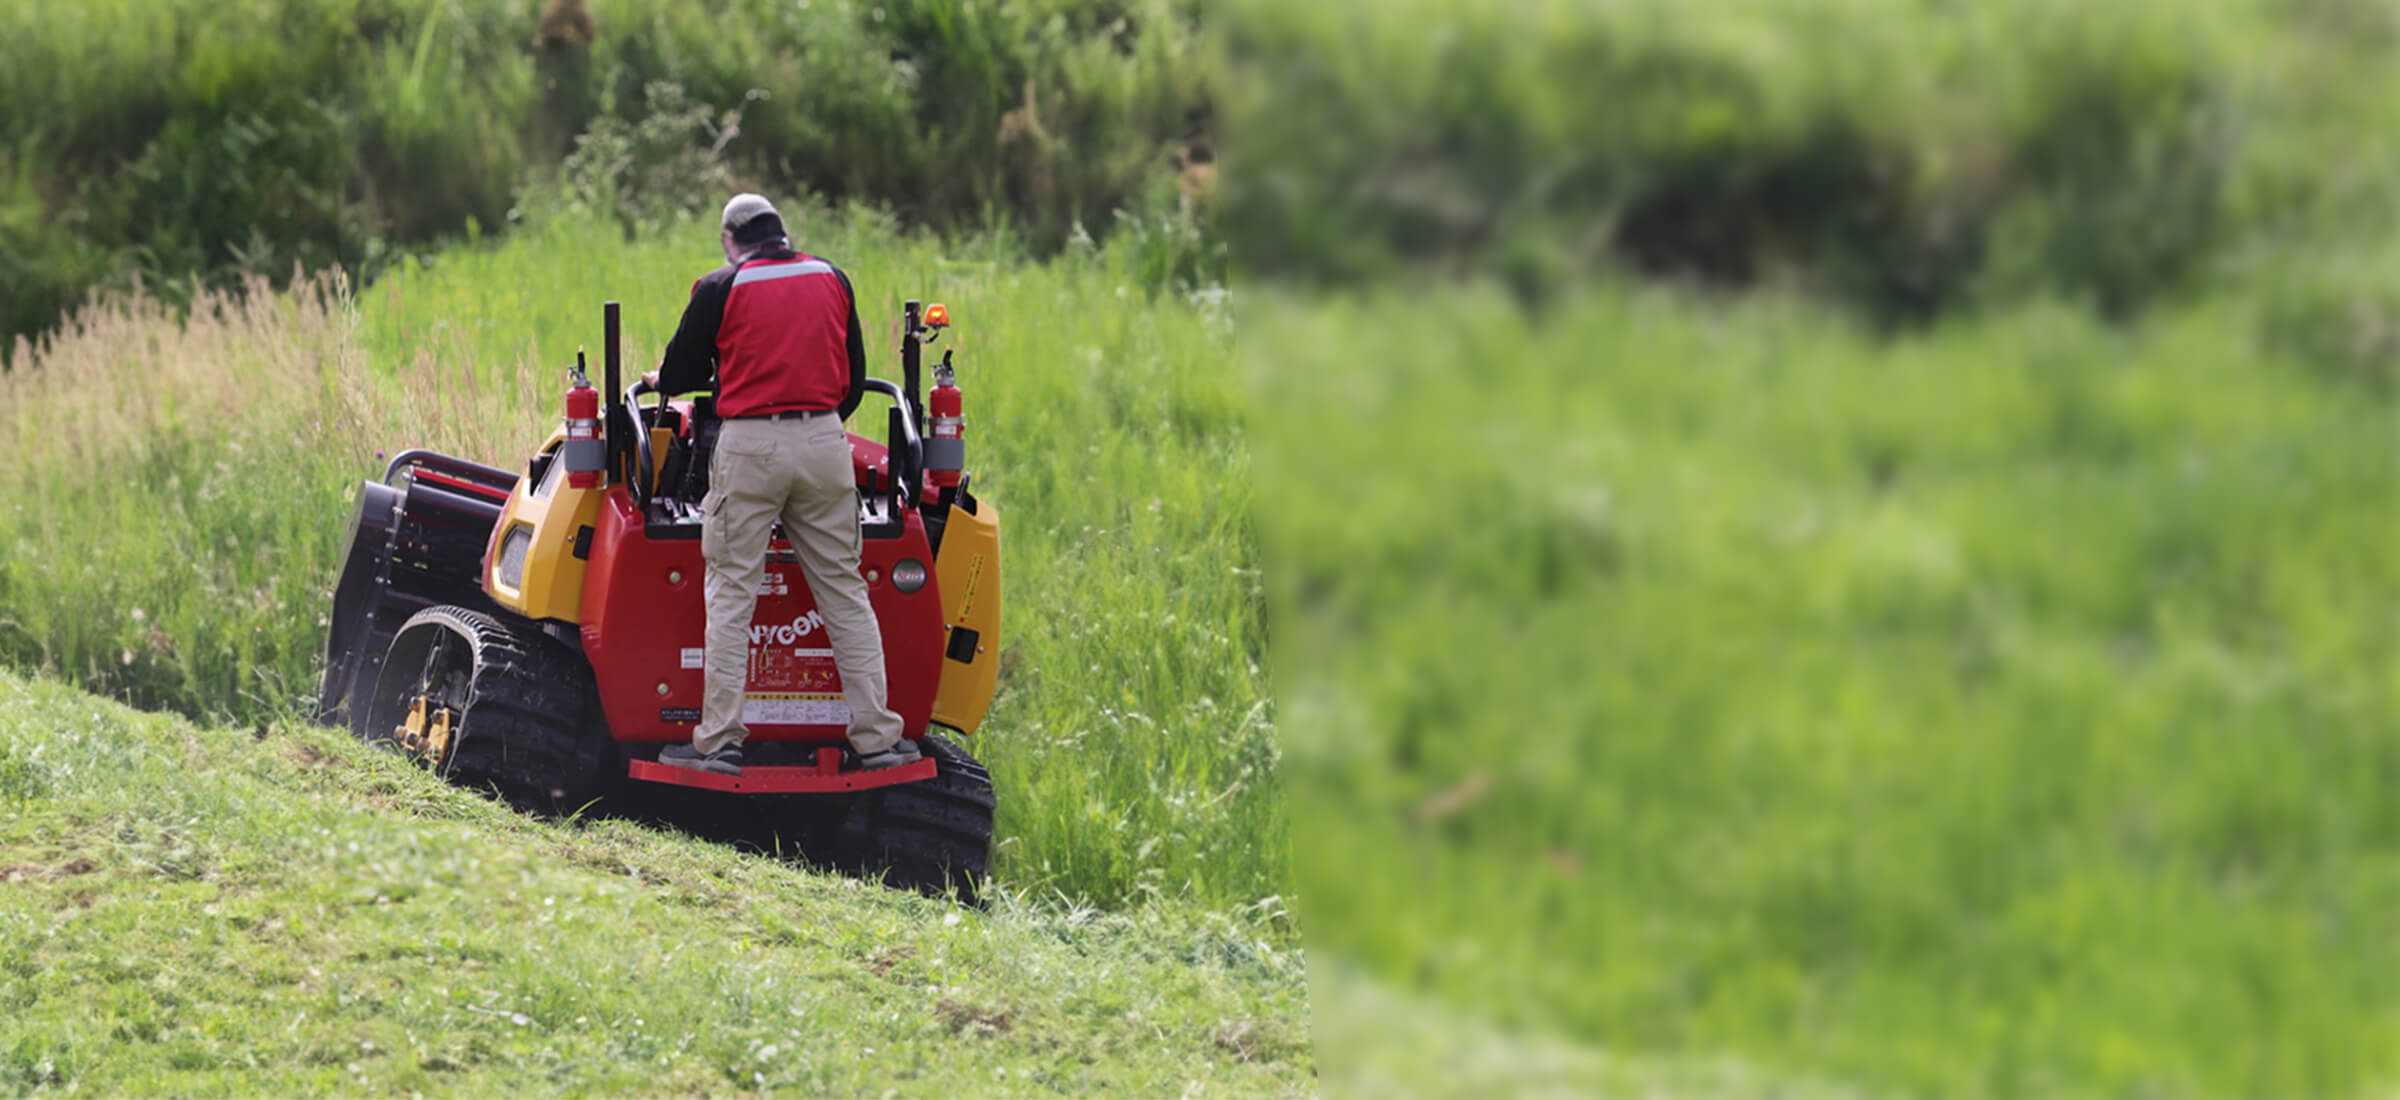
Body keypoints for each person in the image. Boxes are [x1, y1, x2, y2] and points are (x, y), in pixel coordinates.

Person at [644, 193, 914, 775]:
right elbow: (854, 378)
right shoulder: (831, 278)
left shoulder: (721, 286)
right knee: (843, 590)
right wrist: (814, 422)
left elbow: (681, 375)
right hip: (824, 442)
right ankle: (878, 740)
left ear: (729, 238)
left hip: (749, 446)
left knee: (733, 591)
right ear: (783, 234)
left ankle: (719, 743)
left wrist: (660, 378)